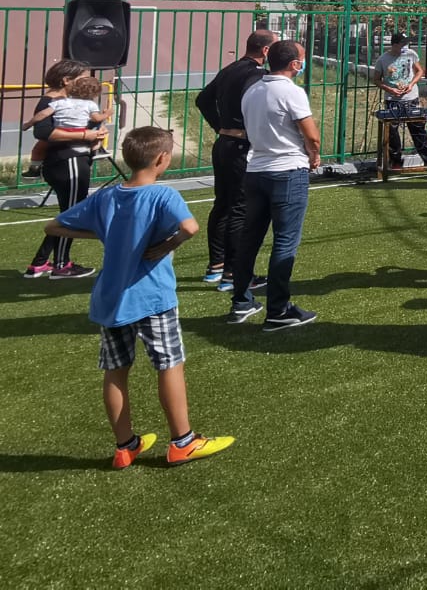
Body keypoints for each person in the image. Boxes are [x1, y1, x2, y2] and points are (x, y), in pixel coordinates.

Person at [44, 126, 234, 467]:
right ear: (162, 159)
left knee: (115, 371)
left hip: (110, 298)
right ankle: (183, 441)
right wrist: (167, 245)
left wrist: (106, 232)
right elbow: (190, 228)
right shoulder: (163, 196)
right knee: (169, 364)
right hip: (152, 297)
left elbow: (54, 226)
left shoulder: (106, 197)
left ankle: (125, 445)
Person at [231, 40, 320, 330]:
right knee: (285, 240)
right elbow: (311, 134)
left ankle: (241, 301)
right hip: (287, 170)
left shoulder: (253, 89)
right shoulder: (291, 91)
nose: (303, 64)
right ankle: (278, 310)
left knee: (250, 238)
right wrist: (314, 155)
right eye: (302, 59)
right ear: (294, 64)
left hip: (256, 170)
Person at [194, 28, 275, 291]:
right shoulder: (257, 75)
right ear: (266, 50)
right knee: (241, 207)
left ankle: (216, 266)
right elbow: (258, 107)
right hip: (241, 147)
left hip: (224, 145)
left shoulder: (230, 69)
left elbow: (202, 99)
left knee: (223, 204)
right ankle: (234, 273)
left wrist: (221, 126)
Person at [23, 59, 105, 280]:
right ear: (67, 80)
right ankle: (61, 265)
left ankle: (39, 263)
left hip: (73, 160)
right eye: (83, 78)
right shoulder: (51, 101)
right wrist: (85, 135)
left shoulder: (74, 101)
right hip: (67, 161)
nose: (88, 82)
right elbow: (43, 132)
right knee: (72, 215)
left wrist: (97, 128)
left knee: (68, 212)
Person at [372, 32, 427, 171]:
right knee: (392, 132)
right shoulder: (383, 60)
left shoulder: (411, 54)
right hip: (392, 100)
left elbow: (419, 71)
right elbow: (376, 79)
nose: (405, 46)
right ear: (395, 44)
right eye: (402, 43)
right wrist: (390, 89)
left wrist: (411, 84)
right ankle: (395, 161)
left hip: (411, 98)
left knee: (418, 129)